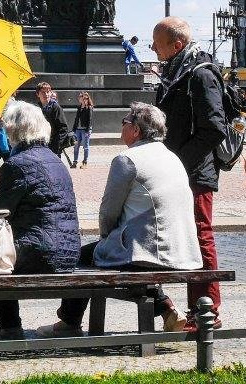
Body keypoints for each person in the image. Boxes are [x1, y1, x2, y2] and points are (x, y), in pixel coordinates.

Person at [36, 103, 198, 337]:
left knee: (83, 256)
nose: (121, 126)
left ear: (136, 130)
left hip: (149, 251)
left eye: (125, 121)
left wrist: (105, 237)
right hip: (182, 249)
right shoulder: (173, 157)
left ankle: (69, 322)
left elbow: (108, 212)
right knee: (121, 258)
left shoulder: (127, 159)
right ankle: (165, 307)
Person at [0, 100, 80, 340]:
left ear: (15, 130)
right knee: (7, 251)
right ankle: (8, 325)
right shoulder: (55, 159)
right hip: (69, 250)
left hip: (40, 252)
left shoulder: (17, 164)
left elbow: (0, 214)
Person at [152, 16, 227, 330]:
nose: (153, 49)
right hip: (178, 170)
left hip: (195, 172)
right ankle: (183, 309)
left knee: (200, 235)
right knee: (183, 237)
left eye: (158, 43)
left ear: (177, 45)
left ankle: (207, 312)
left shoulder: (200, 75)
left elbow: (214, 129)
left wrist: (178, 164)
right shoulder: (173, 74)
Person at [35, 82, 71, 159]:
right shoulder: (36, 108)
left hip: (52, 147)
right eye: (43, 92)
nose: (46, 94)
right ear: (38, 94)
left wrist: (55, 147)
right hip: (40, 146)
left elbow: (63, 129)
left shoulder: (55, 107)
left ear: (51, 93)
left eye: (48, 92)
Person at [72, 91, 94, 168]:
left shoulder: (89, 108)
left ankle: (85, 162)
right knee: (76, 146)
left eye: (81, 97)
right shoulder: (79, 107)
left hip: (85, 130)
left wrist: (87, 131)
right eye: (80, 97)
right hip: (78, 129)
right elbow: (76, 119)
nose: (80, 98)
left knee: (85, 146)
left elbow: (90, 120)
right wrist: (73, 129)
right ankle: (75, 162)